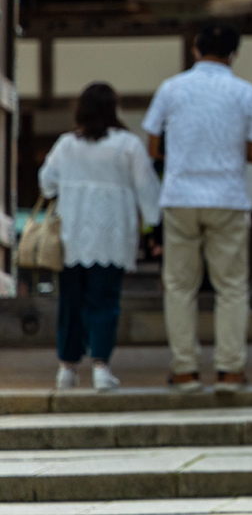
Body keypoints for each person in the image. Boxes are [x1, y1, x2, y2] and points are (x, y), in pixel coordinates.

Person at [143, 21, 252, 392]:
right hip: (227, 197)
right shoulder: (246, 92)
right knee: (231, 287)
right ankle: (230, 371)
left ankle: (184, 370)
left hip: (180, 196)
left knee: (179, 286)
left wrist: (181, 154)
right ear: (233, 54)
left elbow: (152, 147)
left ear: (195, 50)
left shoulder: (171, 88)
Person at [38, 82, 161, 391]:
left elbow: (46, 183)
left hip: (72, 235)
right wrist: (155, 225)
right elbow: (148, 189)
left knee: (71, 302)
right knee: (105, 301)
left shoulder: (67, 144)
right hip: (112, 235)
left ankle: (67, 367)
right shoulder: (128, 145)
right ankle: (101, 367)